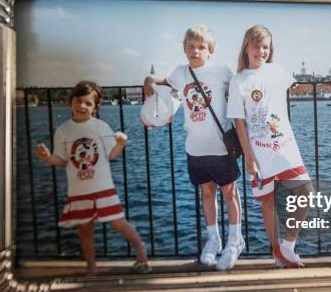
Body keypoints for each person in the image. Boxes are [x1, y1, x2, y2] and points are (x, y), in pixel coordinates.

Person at [227, 25, 331, 268]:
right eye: (257, 46)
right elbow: (239, 123)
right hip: (259, 154)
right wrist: (249, 158)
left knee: (306, 193)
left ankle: (289, 244)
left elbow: (297, 87)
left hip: (285, 147)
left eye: (266, 46)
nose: (262, 50)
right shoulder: (238, 80)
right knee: (267, 202)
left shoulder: (276, 71)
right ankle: (277, 252)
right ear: (246, 47)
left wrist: (325, 84)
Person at [143, 25, 244, 270]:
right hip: (195, 148)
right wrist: (148, 79)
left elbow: (244, 86)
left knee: (229, 194)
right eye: (190, 46)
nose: (195, 51)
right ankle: (213, 239)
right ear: (184, 48)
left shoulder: (222, 70)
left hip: (221, 147)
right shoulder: (181, 72)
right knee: (207, 194)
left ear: (211, 51)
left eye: (201, 47)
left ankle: (235, 240)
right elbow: (163, 81)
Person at [36, 81, 150, 276]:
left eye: (88, 103)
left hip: (102, 187)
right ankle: (91, 267)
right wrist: (47, 157)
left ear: (95, 108)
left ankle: (141, 251)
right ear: (70, 102)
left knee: (118, 223)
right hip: (78, 190)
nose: (82, 106)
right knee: (84, 229)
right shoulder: (63, 130)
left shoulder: (100, 126)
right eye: (78, 101)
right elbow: (61, 159)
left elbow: (111, 154)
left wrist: (121, 144)